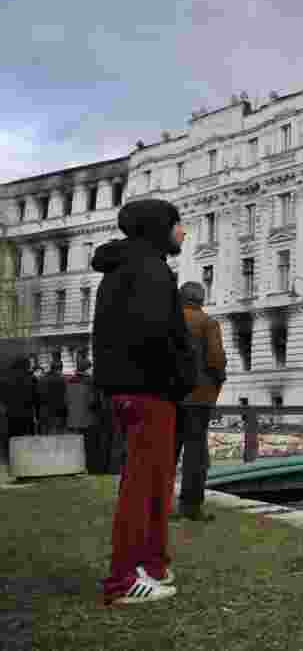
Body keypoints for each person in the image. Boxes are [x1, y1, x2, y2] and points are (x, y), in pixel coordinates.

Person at [92, 198, 196, 605]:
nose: (183, 232)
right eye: (178, 224)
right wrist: (182, 378)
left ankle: (150, 565)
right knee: (143, 486)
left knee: (152, 484)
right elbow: (158, 337)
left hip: (133, 388)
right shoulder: (150, 270)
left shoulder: (127, 268)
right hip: (149, 389)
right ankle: (123, 578)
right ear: (160, 228)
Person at [173, 281, 227, 522]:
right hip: (199, 397)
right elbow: (216, 359)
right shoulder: (208, 323)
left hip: (171, 396)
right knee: (196, 453)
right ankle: (191, 505)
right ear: (201, 299)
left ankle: (159, 505)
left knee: (167, 451)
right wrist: (218, 381)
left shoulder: (169, 322)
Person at [0, 357, 37, 456]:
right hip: (27, 414)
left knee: (12, 438)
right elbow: (35, 398)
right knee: (26, 439)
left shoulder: (6, 379)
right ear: (26, 366)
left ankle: (12, 458)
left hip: (12, 414)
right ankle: (26, 457)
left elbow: (3, 398)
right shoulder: (31, 379)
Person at [36, 360, 68, 435]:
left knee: (45, 434)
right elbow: (65, 396)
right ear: (60, 368)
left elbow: (38, 394)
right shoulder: (62, 379)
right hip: (57, 411)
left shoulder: (42, 379)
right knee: (57, 435)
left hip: (44, 410)